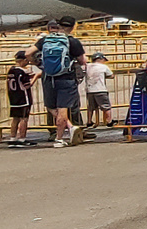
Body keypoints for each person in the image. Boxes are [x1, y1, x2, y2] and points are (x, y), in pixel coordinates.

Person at [26, 19, 86, 147]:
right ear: (72, 27)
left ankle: (69, 127)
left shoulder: (46, 40)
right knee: (63, 108)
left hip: (48, 77)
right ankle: (60, 138)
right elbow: (82, 61)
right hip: (66, 78)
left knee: (51, 106)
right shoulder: (72, 41)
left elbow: (28, 53)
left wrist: (38, 63)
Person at [6, 50, 38, 146]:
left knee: (15, 118)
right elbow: (27, 85)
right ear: (23, 60)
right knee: (24, 118)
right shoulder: (22, 73)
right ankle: (22, 138)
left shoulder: (11, 71)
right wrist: (35, 77)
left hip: (13, 97)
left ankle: (12, 137)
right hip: (24, 97)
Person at [84, 52, 114, 128]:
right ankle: (109, 121)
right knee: (106, 107)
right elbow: (111, 75)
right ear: (100, 59)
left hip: (89, 90)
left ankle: (89, 121)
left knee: (90, 107)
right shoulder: (103, 67)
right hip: (101, 89)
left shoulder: (87, 66)